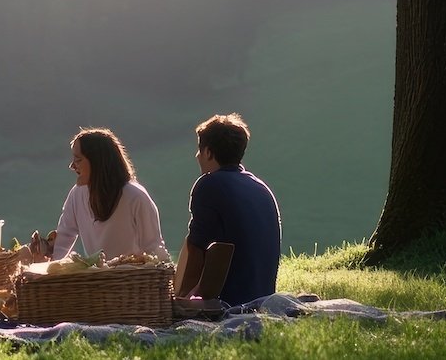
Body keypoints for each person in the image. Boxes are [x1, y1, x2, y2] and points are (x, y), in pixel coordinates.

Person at [176, 113, 281, 305]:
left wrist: (181, 298)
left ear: (208, 152)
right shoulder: (261, 187)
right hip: (264, 299)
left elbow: (195, 247)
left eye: (200, 150)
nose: (197, 156)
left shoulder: (209, 185)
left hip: (232, 303)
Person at [51, 128, 170, 260]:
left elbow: (153, 248)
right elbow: (64, 237)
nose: (72, 166)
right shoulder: (76, 194)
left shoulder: (135, 196)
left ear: (97, 161)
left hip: (133, 279)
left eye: (78, 160)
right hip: (98, 279)